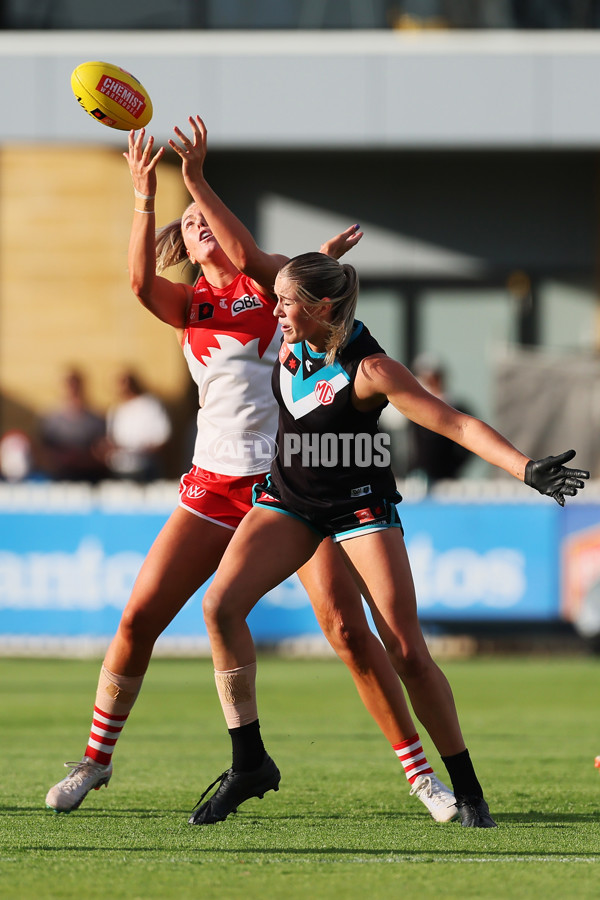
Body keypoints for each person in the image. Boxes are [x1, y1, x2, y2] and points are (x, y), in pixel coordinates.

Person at [45, 120, 460, 825]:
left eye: (208, 214)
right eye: (192, 221)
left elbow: (273, 270)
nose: (200, 223)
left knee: (348, 631)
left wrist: (215, 194)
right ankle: (96, 759)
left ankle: (422, 776)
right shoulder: (189, 305)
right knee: (139, 616)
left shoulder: (271, 290)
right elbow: (143, 281)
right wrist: (147, 196)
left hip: (292, 486)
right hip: (214, 483)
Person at [191, 251, 589, 828]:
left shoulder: (370, 367)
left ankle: (469, 789)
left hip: (358, 507)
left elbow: (453, 422)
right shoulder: (288, 333)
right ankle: (249, 762)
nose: (272, 308)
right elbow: (248, 254)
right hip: (290, 502)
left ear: (321, 306)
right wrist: (194, 181)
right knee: (220, 607)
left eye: (284, 300)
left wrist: (525, 469)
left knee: (405, 649)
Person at [405, 352, 474, 486]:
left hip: (447, 480)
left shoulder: (457, 407)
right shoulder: (411, 408)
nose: (430, 383)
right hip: (415, 480)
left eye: (434, 378)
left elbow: (470, 444)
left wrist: (453, 466)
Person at [39, 368, 107, 482]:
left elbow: (102, 452)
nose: (71, 387)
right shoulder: (49, 419)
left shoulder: (96, 418)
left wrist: (83, 458)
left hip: (91, 476)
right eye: (67, 383)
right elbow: (43, 451)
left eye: (74, 382)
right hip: (60, 476)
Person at [104, 368, 172, 481]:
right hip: (121, 469)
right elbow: (112, 440)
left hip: (146, 467)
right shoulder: (116, 410)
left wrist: (142, 450)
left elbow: (163, 438)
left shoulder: (150, 405)